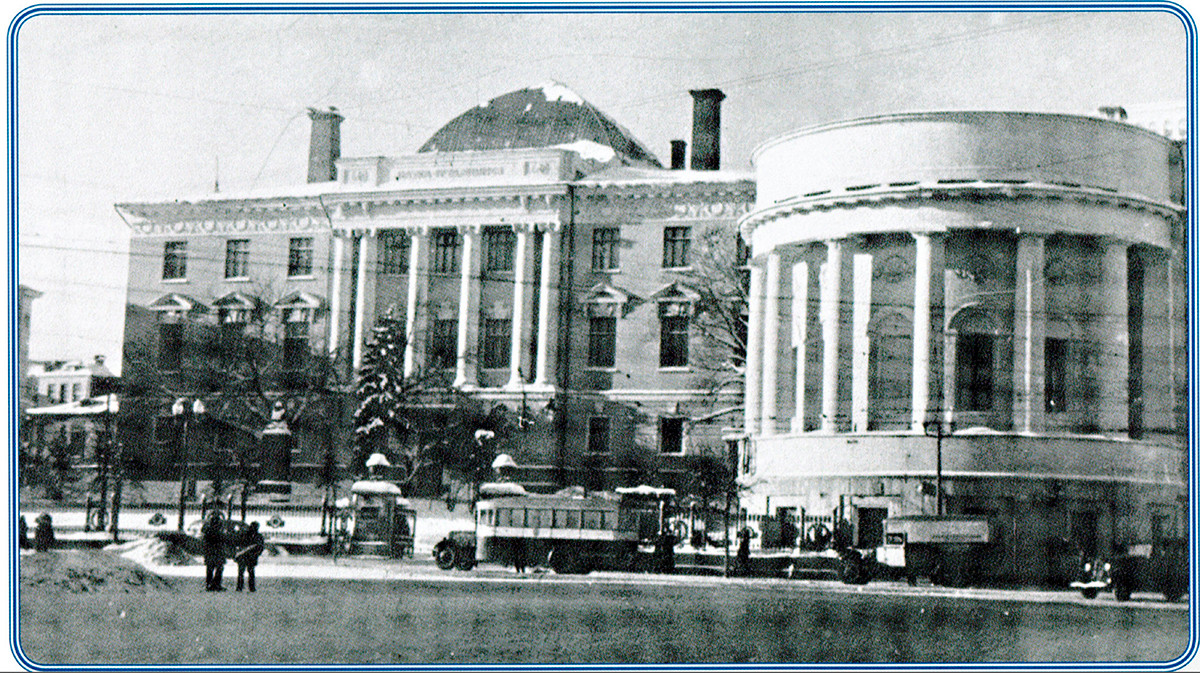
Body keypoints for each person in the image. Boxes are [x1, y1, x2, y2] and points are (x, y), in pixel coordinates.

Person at [235, 521, 265, 592]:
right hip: (247, 556)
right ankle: (247, 587)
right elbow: (260, 547)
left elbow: (260, 547)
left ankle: (243, 587)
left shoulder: (244, 534)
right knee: (247, 572)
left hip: (247, 556)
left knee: (244, 572)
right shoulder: (257, 536)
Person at [201, 510, 226, 591]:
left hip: (209, 553)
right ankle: (216, 584)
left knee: (210, 569)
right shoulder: (218, 532)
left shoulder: (207, 531)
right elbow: (223, 541)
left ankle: (209, 584)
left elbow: (204, 540)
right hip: (218, 553)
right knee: (219, 569)